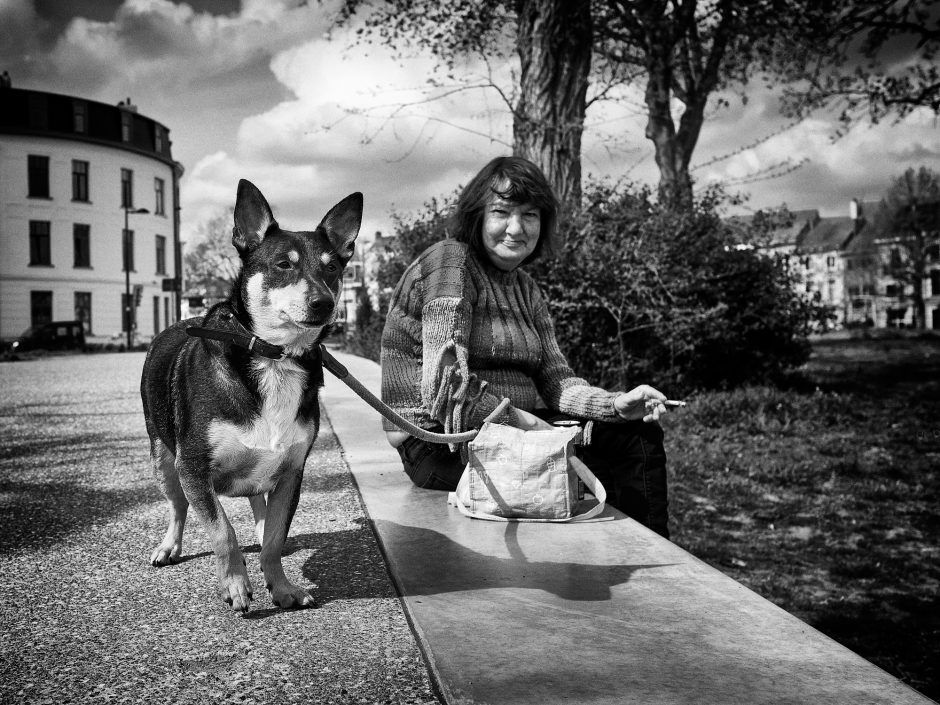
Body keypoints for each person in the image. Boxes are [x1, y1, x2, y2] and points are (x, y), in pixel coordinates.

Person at [380, 156, 672, 537]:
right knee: (600, 458)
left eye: (530, 215)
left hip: (512, 428)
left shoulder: (526, 288)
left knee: (633, 437)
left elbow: (556, 379)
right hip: (440, 444)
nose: (516, 228)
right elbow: (445, 387)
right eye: (501, 212)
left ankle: (648, 554)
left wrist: (613, 405)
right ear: (477, 216)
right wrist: (524, 422)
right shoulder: (450, 263)